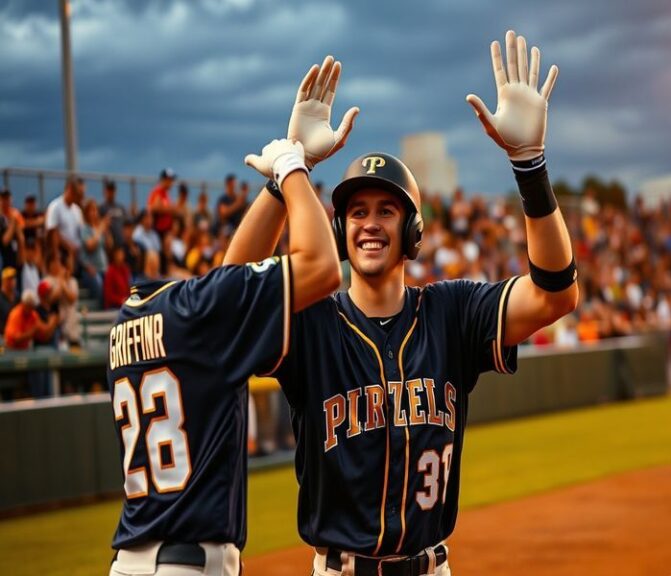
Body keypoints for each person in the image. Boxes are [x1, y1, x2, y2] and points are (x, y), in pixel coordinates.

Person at [226, 35, 577, 575]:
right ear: (341, 230)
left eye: (386, 210)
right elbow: (230, 305)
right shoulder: (313, 324)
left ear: (412, 230)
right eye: (357, 211)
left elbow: (556, 294)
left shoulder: (451, 313)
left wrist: (529, 165)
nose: (369, 223)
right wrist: (284, 174)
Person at [106, 137, 342, 576]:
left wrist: (273, 189)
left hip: (132, 560)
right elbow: (322, 268)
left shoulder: (128, 321)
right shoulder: (194, 310)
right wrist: (292, 168)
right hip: (188, 563)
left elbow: (229, 284)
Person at [45, 177, 84, 270]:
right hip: (61, 253)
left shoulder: (77, 210)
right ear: (69, 189)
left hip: (75, 253)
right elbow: (52, 232)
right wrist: (57, 256)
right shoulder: (55, 206)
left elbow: (81, 231)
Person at [147, 168, 176, 238]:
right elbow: (154, 208)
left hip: (165, 230)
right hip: (158, 230)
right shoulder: (158, 191)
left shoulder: (165, 193)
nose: (171, 183)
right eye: (169, 180)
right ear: (164, 180)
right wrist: (170, 209)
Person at [100, 179, 129, 248]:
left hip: (122, 243)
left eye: (112, 190)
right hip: (110, 244)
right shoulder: (102, 208)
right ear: (105, 191)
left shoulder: (121, 207)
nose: (111, 192)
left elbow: (127, 222)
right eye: (109, 190)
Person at [0, 266, 18, 333]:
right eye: (9, 279)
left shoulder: (17, 297)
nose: (12, 281)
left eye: (13, 278)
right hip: (3, 335)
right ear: (3, 281)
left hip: (17, 334)